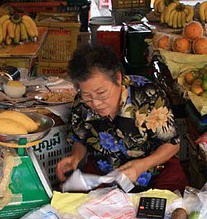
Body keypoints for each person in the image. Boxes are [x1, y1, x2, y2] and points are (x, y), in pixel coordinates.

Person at [56, 45, 188, 192]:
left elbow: (172, 143)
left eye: (101, 93)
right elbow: (80, 139)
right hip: (106, 172)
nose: (95, 103)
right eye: (87, 96)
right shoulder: (81, 103)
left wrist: (143, 165)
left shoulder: (148, 95)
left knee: (169, 207)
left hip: (154, 170)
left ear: (118, 78)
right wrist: (75, 157)